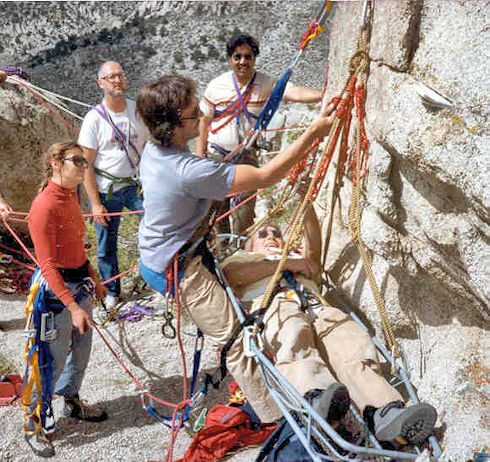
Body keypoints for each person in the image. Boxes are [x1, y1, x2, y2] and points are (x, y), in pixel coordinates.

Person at [136, 74, 336, 425]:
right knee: (237, 342)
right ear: (170, 125)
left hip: (167, 253)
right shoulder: (186, 171)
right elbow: (266, 177)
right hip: (178, 269)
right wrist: (312, 134)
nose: (201, 115)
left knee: (236, 326)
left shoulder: (156, 150)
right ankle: (278, 419)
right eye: (192, 113)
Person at [222, 198, 438, 447]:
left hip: (316, 307)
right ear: (250, 245)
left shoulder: (295, 256)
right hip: (275, 307)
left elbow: (313, 254)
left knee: (351, 345)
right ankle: (316, 396)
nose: (271, 235)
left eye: (276, 233)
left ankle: (384, 412)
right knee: (294, 335)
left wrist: (307, 206)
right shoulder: (242, 259)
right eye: (263, 234)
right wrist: (288, 264)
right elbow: (233, 276)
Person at [25, 141, 108, 457]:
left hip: (79, 284)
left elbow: (75, 246)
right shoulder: (43, 206)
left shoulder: (72, 196)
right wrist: (72, 307)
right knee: (48, 360)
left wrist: (94, 279)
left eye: (85, 161)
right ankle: (33, 425)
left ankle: (71, 402)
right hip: (55, 293)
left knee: (81, 349)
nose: (84, 166)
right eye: (77, 161)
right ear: (56, 162)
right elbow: (46, 264)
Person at [196, 33, 323, 235]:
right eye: (237, 57)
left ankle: (239, 253)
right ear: (230, 59)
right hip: (218, 155)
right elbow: (204, 120)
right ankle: (220, 250)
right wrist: (200, 155)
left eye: (248, 56)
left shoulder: (265, 83)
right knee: (216, 210)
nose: (242, 61)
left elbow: (294, 93)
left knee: (244, 211)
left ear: (254, 58)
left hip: (246, 156)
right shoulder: (216, 86)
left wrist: (325, 95)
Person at [78, 61, 149, 310]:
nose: (116, 80)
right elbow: (85, 164)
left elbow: (149, 147)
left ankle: (159, 279)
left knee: (156, 231)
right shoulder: (94, 119)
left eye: (119, 75)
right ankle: (112, 291)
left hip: (137, 185)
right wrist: (95, 204)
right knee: (106, 243)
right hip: (107, 189)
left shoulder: (137, 111)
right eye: (110, 77)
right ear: (101, 83)